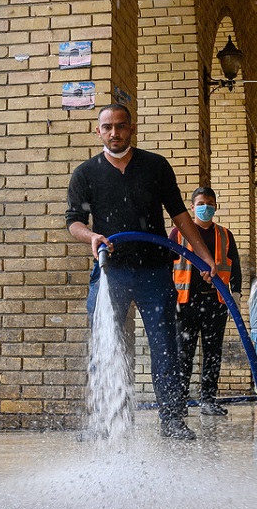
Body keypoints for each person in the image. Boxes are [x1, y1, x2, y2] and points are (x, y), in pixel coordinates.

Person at [66, 103, 213, 439]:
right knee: (105, 344)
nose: (114, 133)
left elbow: (180, 216)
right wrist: (92, 237)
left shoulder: (156, 167)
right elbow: (73, 222)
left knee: (165, 347)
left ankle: (173, 421)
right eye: (107, 127)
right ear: (98, 131)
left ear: (131, 128)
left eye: (120, 126)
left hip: (154, 271)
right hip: (110, 272)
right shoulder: (85, 173)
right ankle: (105, 421)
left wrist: (206, 260)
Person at [168, 187, 242, 415]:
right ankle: (180, 402)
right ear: (192, 207)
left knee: (212, 354)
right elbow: (165, 264)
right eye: (200, 203)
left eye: (209, 203)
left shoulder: (224, 235)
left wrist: (236, 296)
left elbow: (235, 267)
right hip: (185, 302)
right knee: (183, 354)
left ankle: (208, 400)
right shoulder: (178, 233)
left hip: (216, 302)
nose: (205, 208)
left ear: (216, 206)